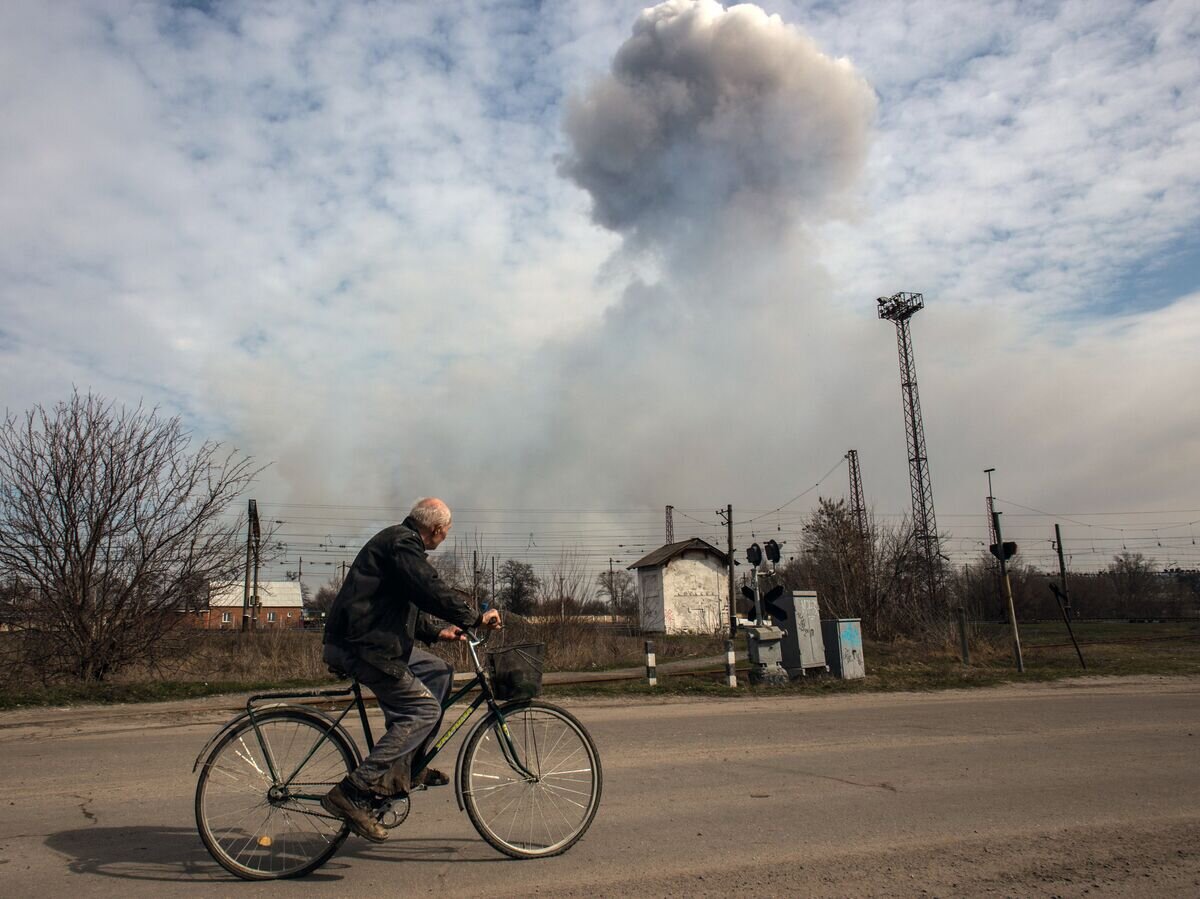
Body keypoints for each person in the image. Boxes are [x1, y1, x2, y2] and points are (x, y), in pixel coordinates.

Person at [320, 497, 502, 842]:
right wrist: (475, 617)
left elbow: (397, 605)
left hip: (373, 641)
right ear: (436, 529)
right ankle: (352, 791)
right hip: (361, 647)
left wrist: (437, 632)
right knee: (423, 710)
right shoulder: (402, 543)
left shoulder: (399, 545)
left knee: (439, 672)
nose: (445, 536)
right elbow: (428, 588)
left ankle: (406, 768)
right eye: (446, 531)